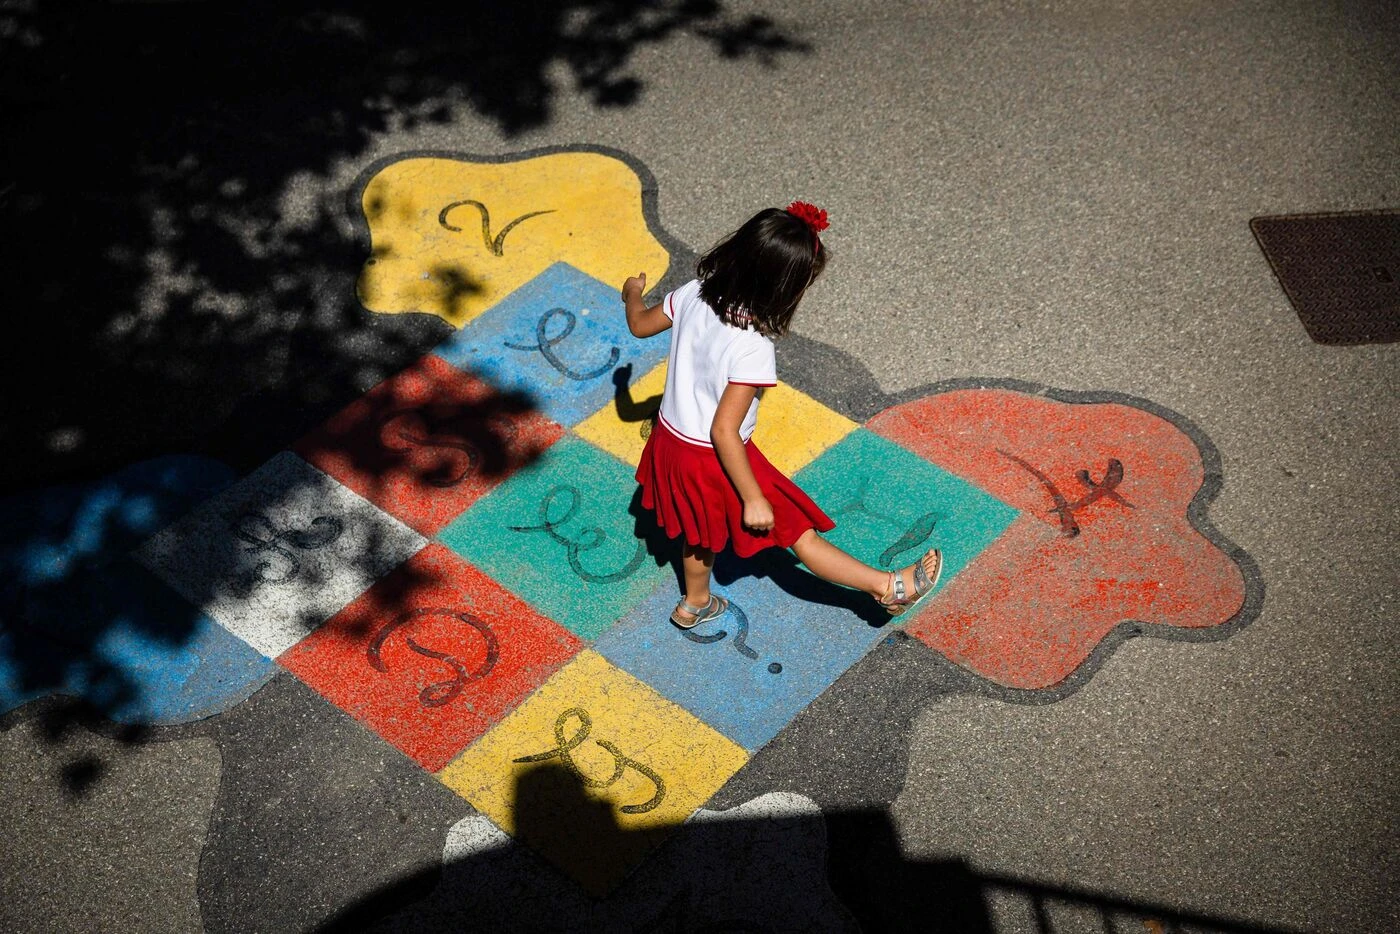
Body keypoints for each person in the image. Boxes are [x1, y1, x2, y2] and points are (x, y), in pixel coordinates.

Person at [621, 202, 943, 629]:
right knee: (798, 533)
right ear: (784, 288)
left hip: (670, 442)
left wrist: (632, 294)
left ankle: (694, 603)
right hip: (717, 458)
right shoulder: (752, 346)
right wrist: (752, 496)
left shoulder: (694, 291)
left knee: (698, 535)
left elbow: (640, 325)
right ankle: (888, 588)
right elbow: (723, 430)